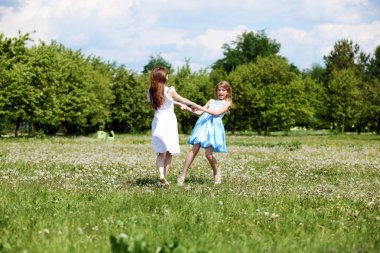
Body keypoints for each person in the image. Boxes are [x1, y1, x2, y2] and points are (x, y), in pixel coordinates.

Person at [148, 66, 197, 186]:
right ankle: (164, 176)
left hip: (158, 121)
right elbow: (183, 99)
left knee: (160, 152)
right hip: (169, 122)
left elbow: (164, 100)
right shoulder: (170, 90)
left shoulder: (151, 91)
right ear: (164, 77)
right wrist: (195, 105)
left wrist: (178, 104)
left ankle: (161, 176)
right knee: (169, 151)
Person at [177, 81, 233, 186]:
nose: (220, 92)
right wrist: (188, 109)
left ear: (227, 92)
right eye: (219, 90)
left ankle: (217, 173)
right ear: (216, 91)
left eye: (223, 90)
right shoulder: (211, 101)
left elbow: (216, 113)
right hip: (203, 126)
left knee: (208, 154)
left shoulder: (227, 103)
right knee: (194, 149)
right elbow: (199, 112)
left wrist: (199, 106)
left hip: (213, 129)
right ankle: (182, 175)